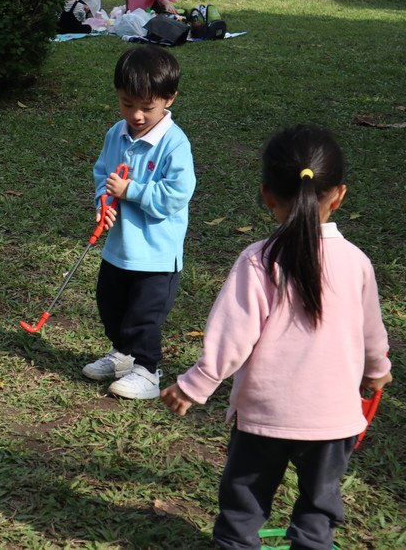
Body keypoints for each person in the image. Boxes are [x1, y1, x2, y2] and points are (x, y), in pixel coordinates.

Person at [161, 125, 393, 550]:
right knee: (319, 504)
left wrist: (195, 385)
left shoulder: (259, 260)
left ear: (267, 195)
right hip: (332, 418)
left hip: (264, 415)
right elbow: (371, 332)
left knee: (245, 500)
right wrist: (378, 371)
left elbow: (233, 335)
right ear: (339, 195)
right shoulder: (356, 262)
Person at [82, 46, 196, 400]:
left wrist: (130, 190)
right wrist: (103, 202)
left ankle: (147, 370)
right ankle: (122, 355)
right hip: (119, 247)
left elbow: (177, 194)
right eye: (126, 103)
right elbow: (103, 174)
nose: (136, 115)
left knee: (144, 316)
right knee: (110, 304)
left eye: (147, 107)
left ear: (169, 99)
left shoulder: (174, 144)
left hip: (156, 254)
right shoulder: (116, 134)